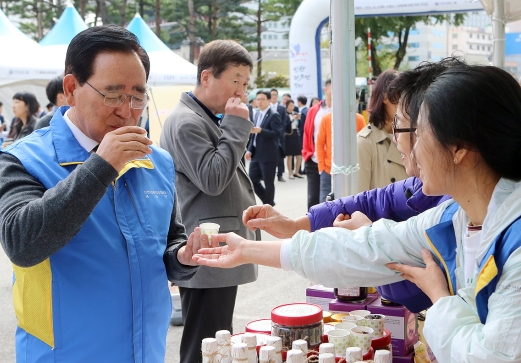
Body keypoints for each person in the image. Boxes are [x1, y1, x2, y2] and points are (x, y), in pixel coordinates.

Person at [193, 62, 521, 363]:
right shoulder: (453, 216)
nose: (410, 148)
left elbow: (490, 356)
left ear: (460, 147)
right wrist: (248, 249)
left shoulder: (514, 244)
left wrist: (440, 298)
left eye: (418, 132)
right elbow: (364, 247)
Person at [0, 25, 201, 362]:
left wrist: (183, 257)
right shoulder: (24, 159)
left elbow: (168, 243)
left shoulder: (156, 161)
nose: (127, 110)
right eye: (113, 95)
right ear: (71, 89)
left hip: (146, 352)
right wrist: (101, 165)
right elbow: (21, 244)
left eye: (138, 96)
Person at [159, 39, 258, 363]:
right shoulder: (187, 122)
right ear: (206, 77)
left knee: (215, 338)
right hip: (207, 247)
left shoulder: (202, 117)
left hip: (215, 246)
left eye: (245, 83)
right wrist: (237, 125)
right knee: (206, 341)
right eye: (235, 80)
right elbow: (213, 179)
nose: (241, 91)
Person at [357, 70, 408, 192]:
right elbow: (360, 197)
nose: (405, 102)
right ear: (385, 97)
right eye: (400, 95)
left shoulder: (410, 136)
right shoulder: (364, 143)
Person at [246, 90, 283, 207]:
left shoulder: (274, 114)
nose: (259, 102)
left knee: (268, 182)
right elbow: (254, 135)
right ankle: (269, 202)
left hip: (268, 155)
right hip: (256, 154)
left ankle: (269, 207)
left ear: (269, 100)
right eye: (258, 99)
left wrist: (262, 131)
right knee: (251, 180)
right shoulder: (257, 114)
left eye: (262, 99)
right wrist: (250, 149)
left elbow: (277, 133)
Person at [302, 80, 332, 209]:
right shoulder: (315, 111)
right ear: (326, 90)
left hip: (333, 163)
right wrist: (307, 153)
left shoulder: (344, 111)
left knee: (331, 199)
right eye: (333, 88)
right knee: (313, 199)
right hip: (314, 160)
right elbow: (307, 133)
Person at [270, 88, 287, 182]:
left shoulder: (282, 108)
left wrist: (280, 131)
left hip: (279, 136)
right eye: (272, 95)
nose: (273, 96)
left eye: (275, 95)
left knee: (280, 156)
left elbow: (284, 121)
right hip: (269, 135)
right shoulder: (267, 107)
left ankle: (280, 174)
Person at [284, 99, 302, 180]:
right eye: (290, 105)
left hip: (296, 134)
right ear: (287, 106)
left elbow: (300, 125)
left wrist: (299, 119)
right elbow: (285, 126)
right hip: (289, 135)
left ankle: (297, 172)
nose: (292, 107)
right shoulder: (285, 115)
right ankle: (290, 173)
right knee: (290, 156)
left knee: (299, 155)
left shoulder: (295, 113)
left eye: (293, 105)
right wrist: (292, 119)